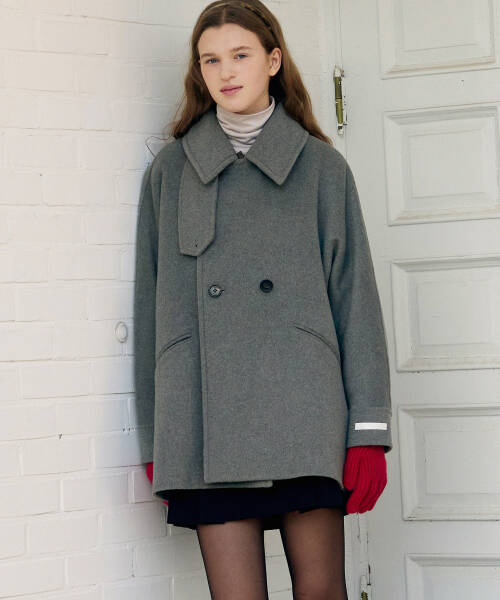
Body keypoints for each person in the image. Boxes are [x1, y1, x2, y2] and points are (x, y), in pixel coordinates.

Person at [134, 1, 392, 598]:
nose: (225, 72)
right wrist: (157, 438)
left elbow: (356, 301)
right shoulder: (171, 172)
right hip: (205, 422)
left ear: (273, 60)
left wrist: (368, 430)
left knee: (321, 591)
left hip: (305, 414)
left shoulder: (322, 169)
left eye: (240, 55)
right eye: (210, 60)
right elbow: (151, 311)